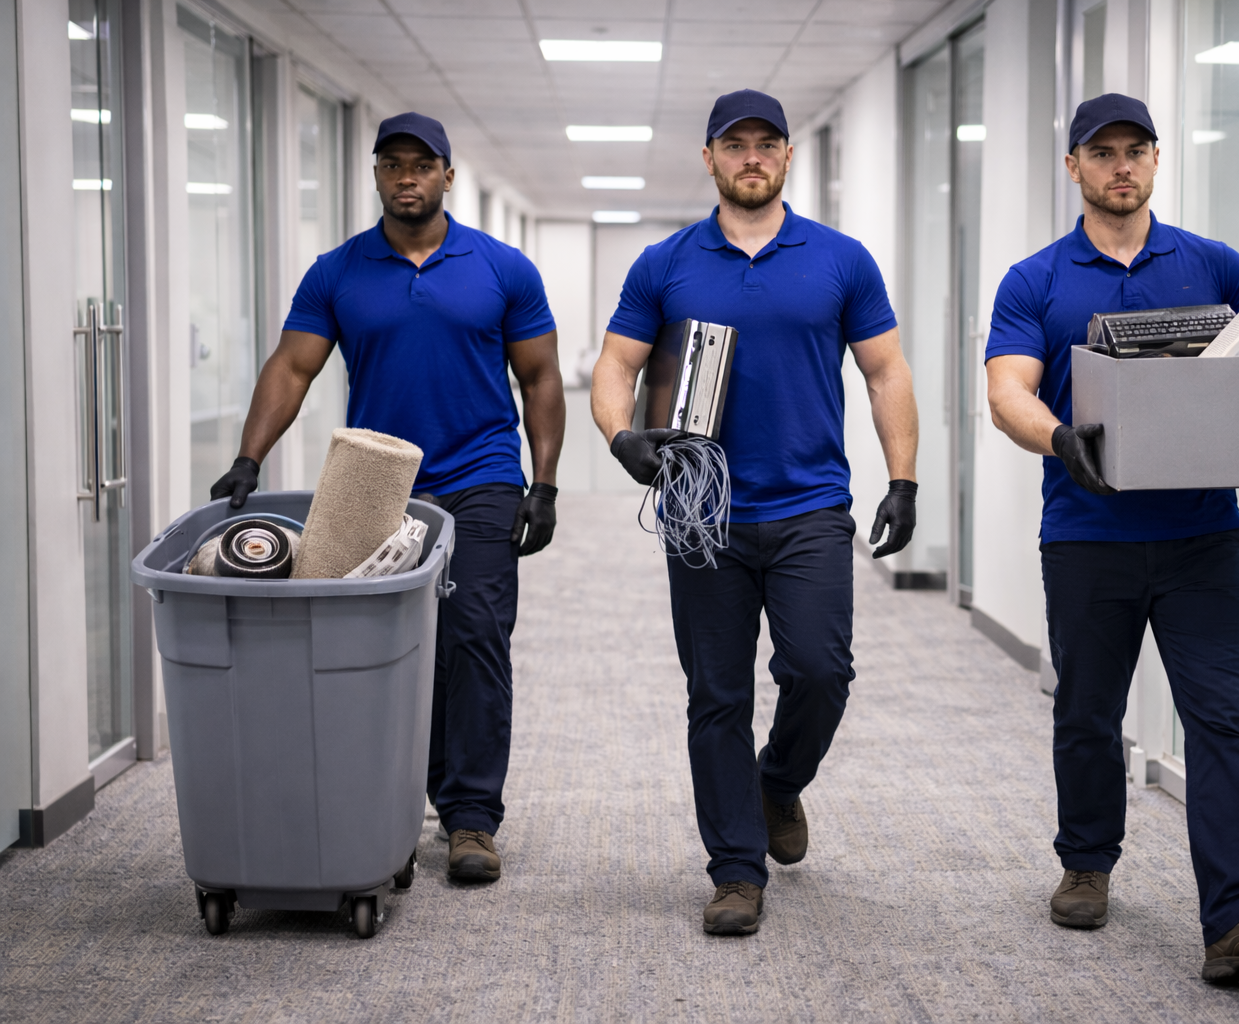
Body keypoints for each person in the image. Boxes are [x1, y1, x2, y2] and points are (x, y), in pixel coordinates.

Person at [984, 93, 1239, 983]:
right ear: (1075, 169)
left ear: (1157, 162)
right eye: (1102, 153)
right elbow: (1008, 391)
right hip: (1087, 535)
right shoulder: (1037, 280)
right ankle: (1087, 859)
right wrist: (1060, 438)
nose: (1120, 166)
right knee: (1089, 712)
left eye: (1136, 151)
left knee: (1222, 723)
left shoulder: (1211, 264)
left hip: (1203, 537)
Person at [590, 89, 920, 936]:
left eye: (766, 143)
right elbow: (614, 365)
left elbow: (885, 372)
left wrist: (904, 478)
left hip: (811, 504)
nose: (751, 156)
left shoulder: (840, 260)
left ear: (786, 156)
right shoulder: (664, 263)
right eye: (733, 144)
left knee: (821, 669)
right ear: (708, 158)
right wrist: (622, 437)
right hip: (703, 509)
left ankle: (778, 781)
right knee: (716, 695)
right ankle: (736, 870)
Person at [209, 112, 565, 885]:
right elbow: (292, 369)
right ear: (376, 176)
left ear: (447, 174)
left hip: (481, 474)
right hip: (378, 480)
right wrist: (248, 457)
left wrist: (544, 483)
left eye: (422, 164)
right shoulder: (338, 272)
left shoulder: (503, 268)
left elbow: (539, 379)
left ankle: (471, 818)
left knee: (474, 634)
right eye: (391, 164)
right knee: (392, 643)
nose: (407, 176)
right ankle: (405, 798)